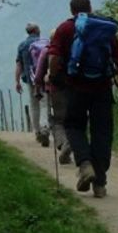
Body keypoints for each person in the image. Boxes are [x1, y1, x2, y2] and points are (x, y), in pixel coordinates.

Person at [48, 0, 118, 198]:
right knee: (102, 132)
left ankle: (84, 165)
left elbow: (54, 57)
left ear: (71, 10)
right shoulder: (105, 28)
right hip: (102, 88)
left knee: (74, 126)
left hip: (76, 87)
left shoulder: (65, 29)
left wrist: (54, 78)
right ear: (90, 8)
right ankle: (100, 183)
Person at [34, 30, 72, 165]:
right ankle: (71, 142)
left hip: (54, 89)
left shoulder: (47, 51)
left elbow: (38, 73)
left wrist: (38, 85)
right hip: (73, 88)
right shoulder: (71, 49)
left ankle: (63, 143)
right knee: (72, 118)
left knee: (58, 121)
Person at [14, 23, 48, 146]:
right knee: (44, 103)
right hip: (44, 78)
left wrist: (17, 81)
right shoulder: (45, 42)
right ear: (36, 30)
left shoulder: (22, 45)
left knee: (34, 104)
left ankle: (38, 132)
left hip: (30, 79)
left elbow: (19, 65)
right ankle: (45, 128)